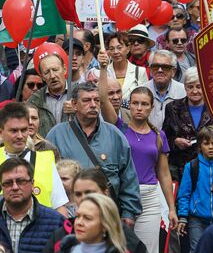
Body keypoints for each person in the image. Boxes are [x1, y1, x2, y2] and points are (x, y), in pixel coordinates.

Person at [117, 87, 176, 253]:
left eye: (144, 104)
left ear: (152, 108)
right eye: (135, 103)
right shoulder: (118, 129)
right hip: (123, 196)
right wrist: (106, 67)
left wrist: (171, 208)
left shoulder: (158, 135)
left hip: (150, 196)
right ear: (128, 105)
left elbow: (163, 173)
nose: (139, 108)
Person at [47, 82, 142, 225]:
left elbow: (128, 178)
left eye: (96, 100)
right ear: (74, 105)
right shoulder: (56, 135)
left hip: (107, 216)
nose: (93, 105)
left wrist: (129, 213)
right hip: (68, 217)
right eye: (86, 100)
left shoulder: (115, 135)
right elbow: (47, 179)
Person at [0, 102, 69, 211]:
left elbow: (60, 207)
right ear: (0, 132)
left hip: (40, 227)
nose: (20, 136)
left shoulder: (46, 161)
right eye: (14, 131)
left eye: (24, 130)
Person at [26, 53, 70, 134]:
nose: (52, 76)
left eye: (55, 70)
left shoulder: (78, 94)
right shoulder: (34, 100)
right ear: (42, 77)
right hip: (45, 146)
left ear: (64, 69)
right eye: (47, 72)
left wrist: (78, 109)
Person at [142, 50, 186, 129]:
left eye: (165, 67)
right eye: (155, 66)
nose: (160, 70)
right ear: (150, 70)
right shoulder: (141, 92)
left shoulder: (184, 92)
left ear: (173, 71)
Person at [102, 33, 145, 99]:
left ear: (128, 49)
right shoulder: (103, 72)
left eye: (119, 48)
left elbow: (145, 97)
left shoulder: (139, 72)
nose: (115, 52)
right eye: (111, 49)